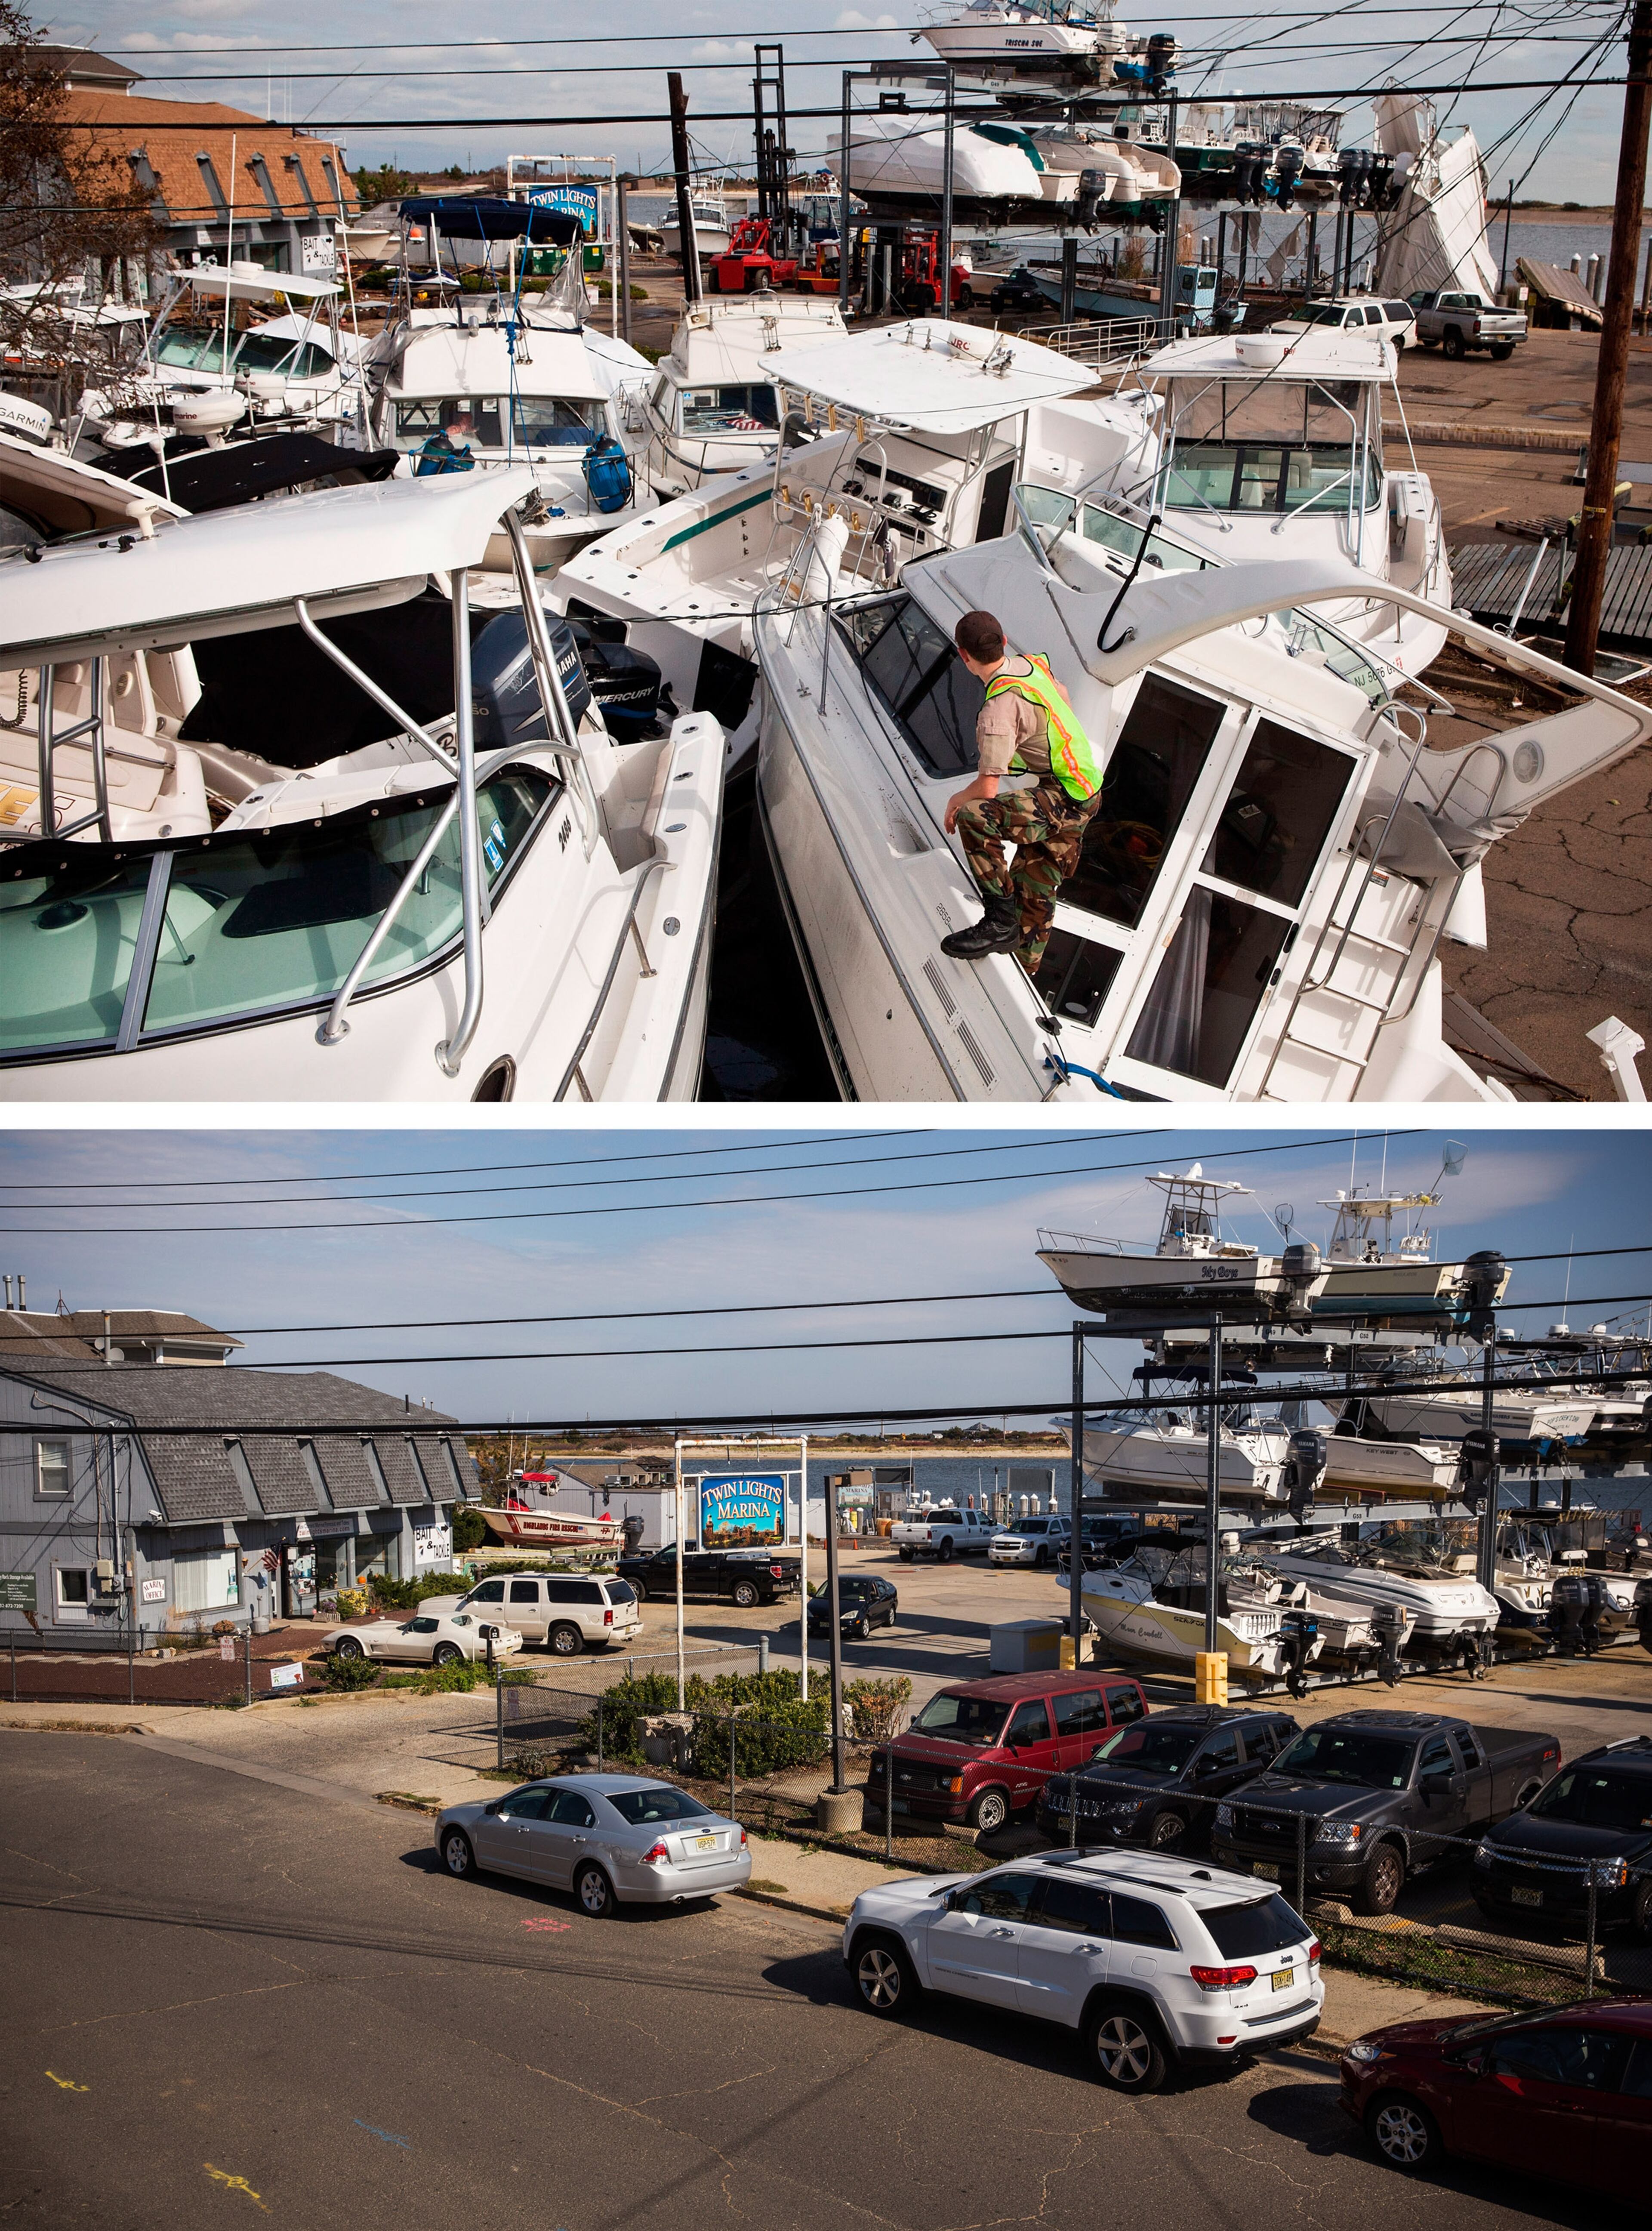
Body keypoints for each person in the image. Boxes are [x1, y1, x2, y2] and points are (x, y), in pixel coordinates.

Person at [940, 609, 1104, 970]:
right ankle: (1025, 970)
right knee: (1037, 882)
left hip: (1065, 796)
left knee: (974, 816)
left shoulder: (998, 709)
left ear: (963, 656)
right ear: (1003, 642)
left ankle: (999, 921)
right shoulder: (1031, 665)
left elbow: (986, 789)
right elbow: (1063, 699)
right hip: (1087, 789)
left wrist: (955, 799)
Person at [414, 402, 478, 477]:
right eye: (468, 421)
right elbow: (449, 435)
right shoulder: (454, 429)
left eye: (470, 421)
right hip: (445, 452)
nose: (469, 423)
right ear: (462, 420)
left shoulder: (471, 430)